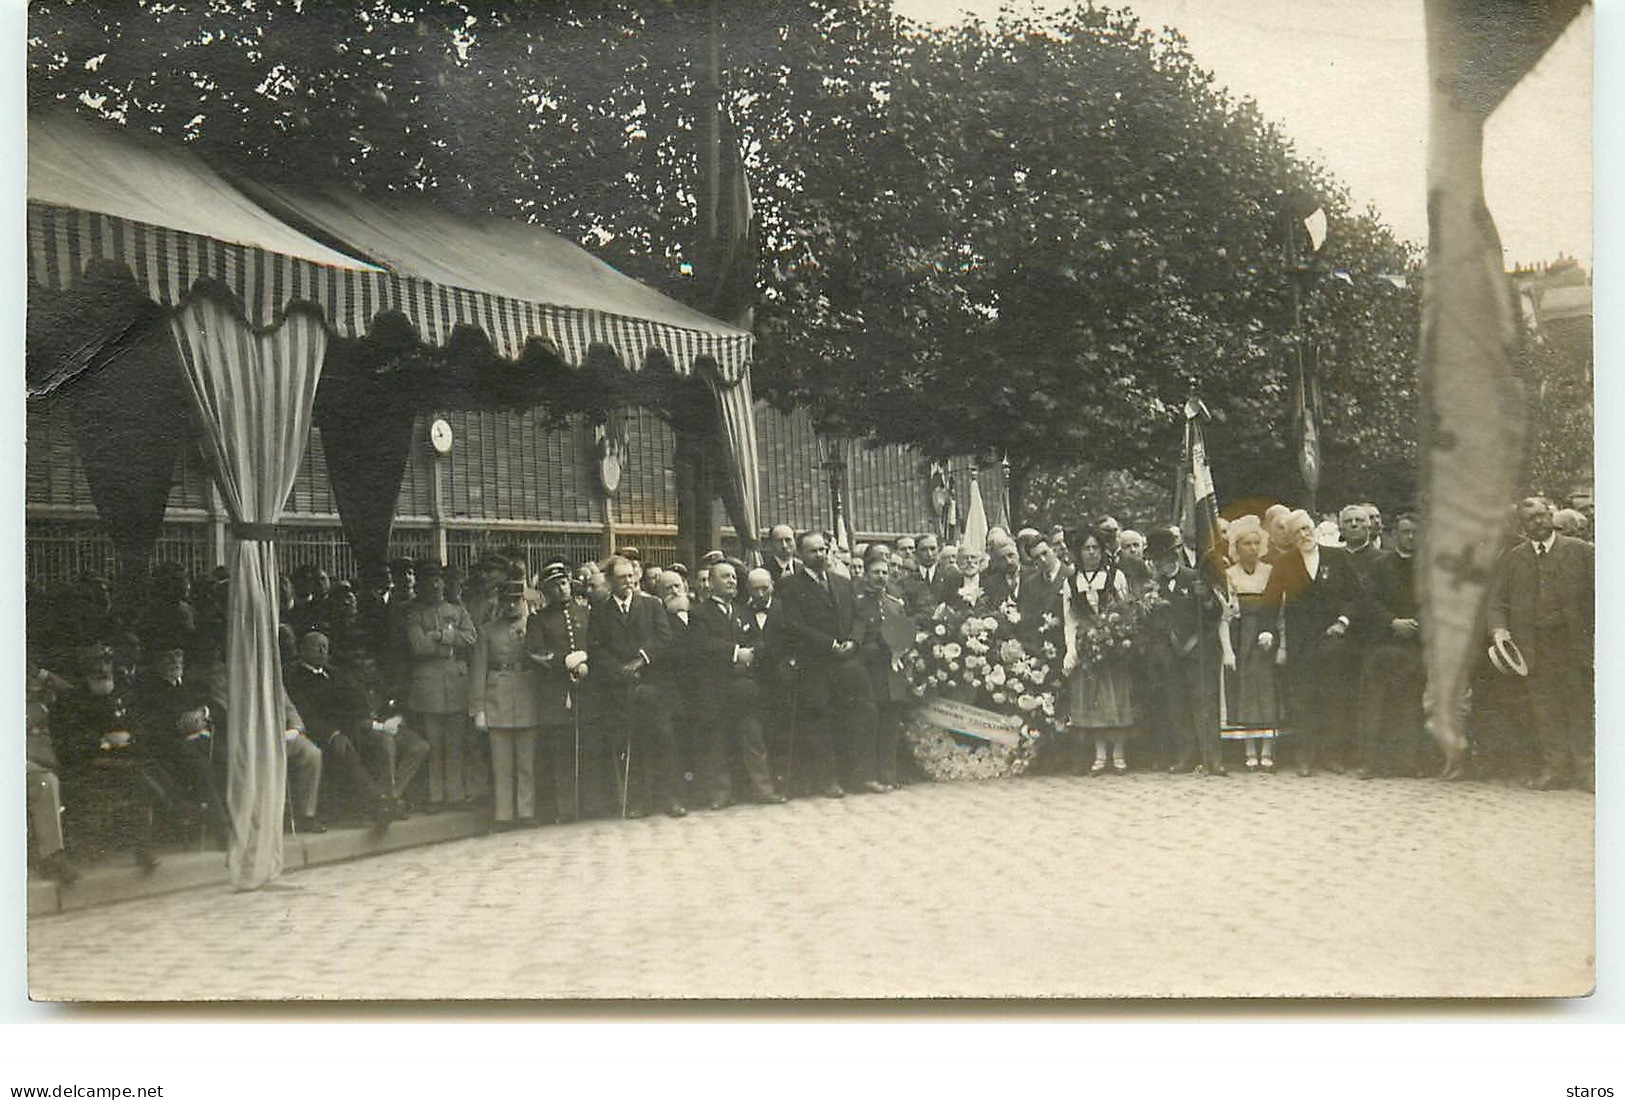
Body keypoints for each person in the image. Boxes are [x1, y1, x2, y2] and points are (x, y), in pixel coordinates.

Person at [1487, 497, 1594, 791]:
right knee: (1545, 709)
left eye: (1541, 515)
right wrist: (1499, 631)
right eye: (1529, 519)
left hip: (1572, 643)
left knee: (1579, 705)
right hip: (1533, 645)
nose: (1537, 522)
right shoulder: (1512, 558)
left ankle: (1586, 770)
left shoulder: (1581, 552)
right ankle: (1555, 769)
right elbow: (1496, 601)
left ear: (1551, 515)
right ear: (1522, 526)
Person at [776, 531, 882, 797]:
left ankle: (862, 777)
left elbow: (858, 618)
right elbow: (794, 625)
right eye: (813, 551)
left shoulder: (842, 582)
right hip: (817, 662)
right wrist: (830, 645)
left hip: (849, 660)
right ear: (801, 554)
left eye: (823, 549)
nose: (820, 555)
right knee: (821, 721)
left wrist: (854, 642)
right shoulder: (790, 586)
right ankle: (828, 780)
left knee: (865, 712)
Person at [1263, 509, 1362, 777]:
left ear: (1314, 528)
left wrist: (1342, 621)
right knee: (1302, 700)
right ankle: (1304, 757)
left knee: (1332, 697)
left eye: (1307, 529)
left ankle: (1332, 755)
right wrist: (1268, 631)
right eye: (1297, 533)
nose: (1304, 535)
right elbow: (1271, 600)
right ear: (1292, 538)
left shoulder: (1337, 558)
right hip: (1300, 642)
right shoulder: (1284, 563)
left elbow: (1355, 596)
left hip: (1332, 640)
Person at [587, 554, 685, 818]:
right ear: (610, 581)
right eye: (621, 578)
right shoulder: (600, 612)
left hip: (654, 685)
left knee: (663, 741)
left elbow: (664, 638)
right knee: (631, 743)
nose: (628, 582)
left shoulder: (652, 605)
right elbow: (596, 648)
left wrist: (640, 661)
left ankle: (671, 799)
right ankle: (638, 801)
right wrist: (619, 670)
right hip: (621, 689)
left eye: (631, 576)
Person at [690, 560, 784, 808]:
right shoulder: (699, 613)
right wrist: (734, 653)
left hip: (743, 687)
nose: (732, 581)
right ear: (710, 583)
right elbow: (702, 646)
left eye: (733, 576)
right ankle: (720, 794)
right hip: (715, 687)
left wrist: (751, 656)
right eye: (725, 577)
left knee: (753, 738)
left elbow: (757, 639)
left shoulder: (743, 611)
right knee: (717, 742)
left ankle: (763, 789)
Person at [283, 630, 397, 826]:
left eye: (325, 647)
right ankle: (376, 802)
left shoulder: (333, 673)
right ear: (303, 650)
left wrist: (364, 723)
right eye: (316, 646)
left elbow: (355, 700)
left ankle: (388, 800)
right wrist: (331, 733)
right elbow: (305, 713)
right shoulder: (295, 677)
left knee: (381, 740)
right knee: (342, 747)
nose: (322, 651)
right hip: (320, 731)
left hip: (347, 726)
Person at [1142, 528, 1227, 776]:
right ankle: (1186, 757)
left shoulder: (1195, 579)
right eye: (1157, 560)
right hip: (1170, 653)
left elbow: (1215, 615)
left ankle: (1213, 758)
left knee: (1204, 705)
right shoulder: (1153, 587)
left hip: (1199, 651)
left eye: (1166, 558)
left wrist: (1207, 599)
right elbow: (1150, 622)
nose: (1162, 564)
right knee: (1177, 705)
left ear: (1175, 556)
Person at [404, 560, 478, 812]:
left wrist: (440, 636)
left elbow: (471, 638)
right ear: (421, 585)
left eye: (439, 580)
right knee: (434, 744)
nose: (436, 585)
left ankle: (455, 795)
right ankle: (436, 796)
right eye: (429, 581)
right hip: (429, 684)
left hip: (456, 682)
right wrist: (449, 641)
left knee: (456, 743)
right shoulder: (414, 612)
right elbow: (419, 646)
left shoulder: (457, 609)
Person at [1357, 512, 1427, 779]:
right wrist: (1392, 622)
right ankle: (1371, 763)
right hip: (1383, 643)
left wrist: (1417, 624)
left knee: (1410, 702)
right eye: (1405, 532)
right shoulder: (1380, 564)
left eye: (1415, 532)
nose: (1410, 537)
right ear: (1394, 534)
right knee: (1375, 703)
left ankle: (1408, 762)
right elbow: (1369, 601)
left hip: (1416, 644)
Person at [527, 560, 597, 822]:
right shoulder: (539, 619)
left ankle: (590, 805)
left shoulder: (585, 613)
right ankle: (565, 809)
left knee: (588, 747)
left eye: (564, 583)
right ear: (545, 591)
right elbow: (534, 653)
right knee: (560, 751)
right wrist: (563, 662)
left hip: (587, 689)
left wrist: (587, 658)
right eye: (555, 586)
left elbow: (598, 642)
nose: (562, 589)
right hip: (556, 693)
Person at [1061, 529, 1134, 775]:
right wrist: (1071, 650)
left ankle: (1119, 754)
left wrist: (1117, 634)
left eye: (1095, 548)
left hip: (1113, 647)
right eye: (1086, 548)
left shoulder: (1116, 576)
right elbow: (1069, 620)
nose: (1091, 553)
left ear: (1102, 551)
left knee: (1115, 698)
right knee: (1095, 701)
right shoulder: (1071, 582)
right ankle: (1100, 755)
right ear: (1078, 553)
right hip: (1088, 647)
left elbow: (1127, 611)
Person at [470, 579, 541, 830]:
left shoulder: (534, 625)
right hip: (497, 698)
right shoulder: (487, 631)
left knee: (526, 761)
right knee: (501, 763)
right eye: (507, 600)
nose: (512, 605)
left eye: (517, 600)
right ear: (499, 603)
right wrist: (479, 709)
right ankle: (503, 814)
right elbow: (478, 671)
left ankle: (526, 811)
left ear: (524, 600)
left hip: (527, 696)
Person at [1219, 516, 1282, 772]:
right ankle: (1249, 750)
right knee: (1244, 687)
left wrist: (1271, 633)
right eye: (1246, 543)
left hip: (1264, 635)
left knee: (1266, 686)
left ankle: (1267, 748)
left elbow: (1278, 607)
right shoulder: (1229, 574)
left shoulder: (1269, 572)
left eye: (1257, 543)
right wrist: (1228, 649)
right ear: (1236, 546)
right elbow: (1226, 613)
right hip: (1239, 634)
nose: (1253, 548)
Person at [853, 548, 911, 790]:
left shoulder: (895, 604)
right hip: (870, 671)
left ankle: (889, 773)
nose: (881, 576)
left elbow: (903, 634)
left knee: (891, 724)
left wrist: (900, 648)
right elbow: (856, 639)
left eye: (885, 572)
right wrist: (877, 648)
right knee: (869, 725)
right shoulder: (858, 605)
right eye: (875, 572)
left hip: (892, 673)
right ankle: (868, 776)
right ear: (866, 575)